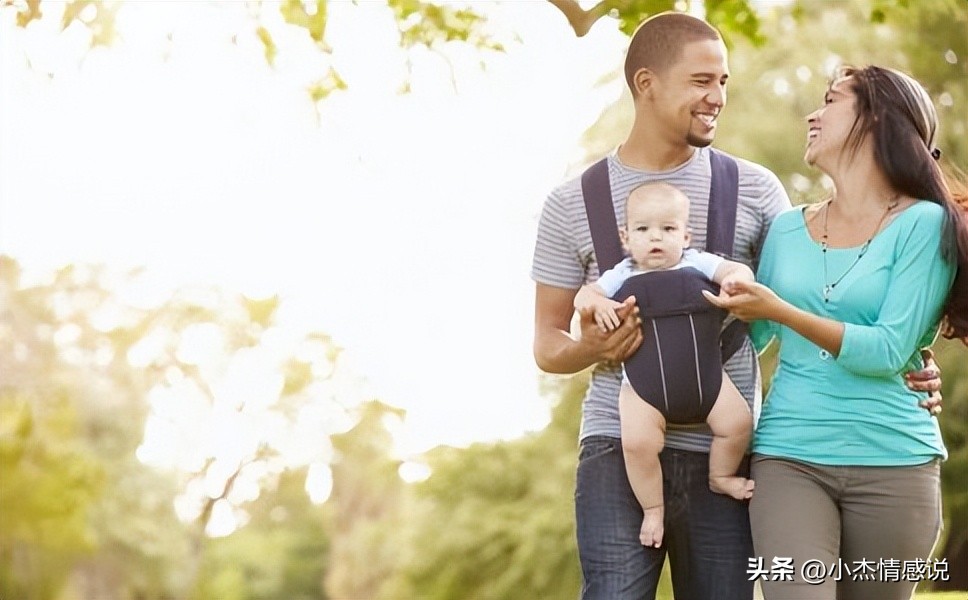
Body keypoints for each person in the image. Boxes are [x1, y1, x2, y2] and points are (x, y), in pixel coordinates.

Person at [530, 11, 946, 600]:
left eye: (723, 81)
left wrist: (909, 352)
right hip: (620, 442)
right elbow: (547, 344)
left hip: (728, 447)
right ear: (647, 84)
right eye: (702, 81)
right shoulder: (571, 202)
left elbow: (795, 299)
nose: (718, 97)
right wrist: (589, 347)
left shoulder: (755, 190)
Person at [705, 64, 968, 600]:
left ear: (875, 119)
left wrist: (783, 311)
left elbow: (888, 350)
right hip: (789, 457)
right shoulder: (786, 229)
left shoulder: (924, 224)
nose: (812, 114)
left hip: (896, 463)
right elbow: (752, 338)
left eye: (830, 100)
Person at [574, 181, 755, 549]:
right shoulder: (621, 274)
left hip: (709, 382)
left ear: (685, 236)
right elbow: (584, 296)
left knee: (738, 424)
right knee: (637, 444)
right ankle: (653, 509)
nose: (655, 237)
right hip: (644, 391)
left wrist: (736, 282)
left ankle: (720, 476)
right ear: (626, 238)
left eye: (668, 229)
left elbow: (737, 270)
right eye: (643, 229)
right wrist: (599, 304)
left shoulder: (698, 262)